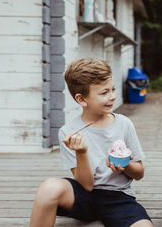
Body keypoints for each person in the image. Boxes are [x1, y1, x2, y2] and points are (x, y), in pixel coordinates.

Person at [30, 58, 152, 227]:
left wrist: (125, 165)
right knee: (49, 188)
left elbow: (139, 173)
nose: (112, 97)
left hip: (119, 198)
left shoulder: (124, 124)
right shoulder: (69, 132)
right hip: (84, 196)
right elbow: (86, 185)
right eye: (104, 93)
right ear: (81, 99)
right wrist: (81, 152)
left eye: (113, 90)